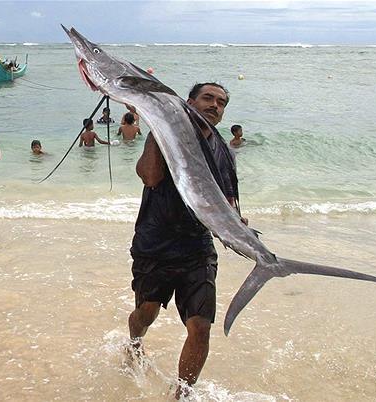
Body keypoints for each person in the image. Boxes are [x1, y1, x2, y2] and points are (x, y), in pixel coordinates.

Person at [127, 82, 243, 398]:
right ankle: (134, 342)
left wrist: (235, 223)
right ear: (189, 102)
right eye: (208, 98)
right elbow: (149, 176)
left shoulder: (224, 153)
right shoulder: (166, 134)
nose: (215, 105)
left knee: (201, 326)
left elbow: (228, 203)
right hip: (155, 243)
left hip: (197, 247)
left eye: (221, 102)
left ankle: (182, 393)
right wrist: (155, 124)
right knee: (145, 314)